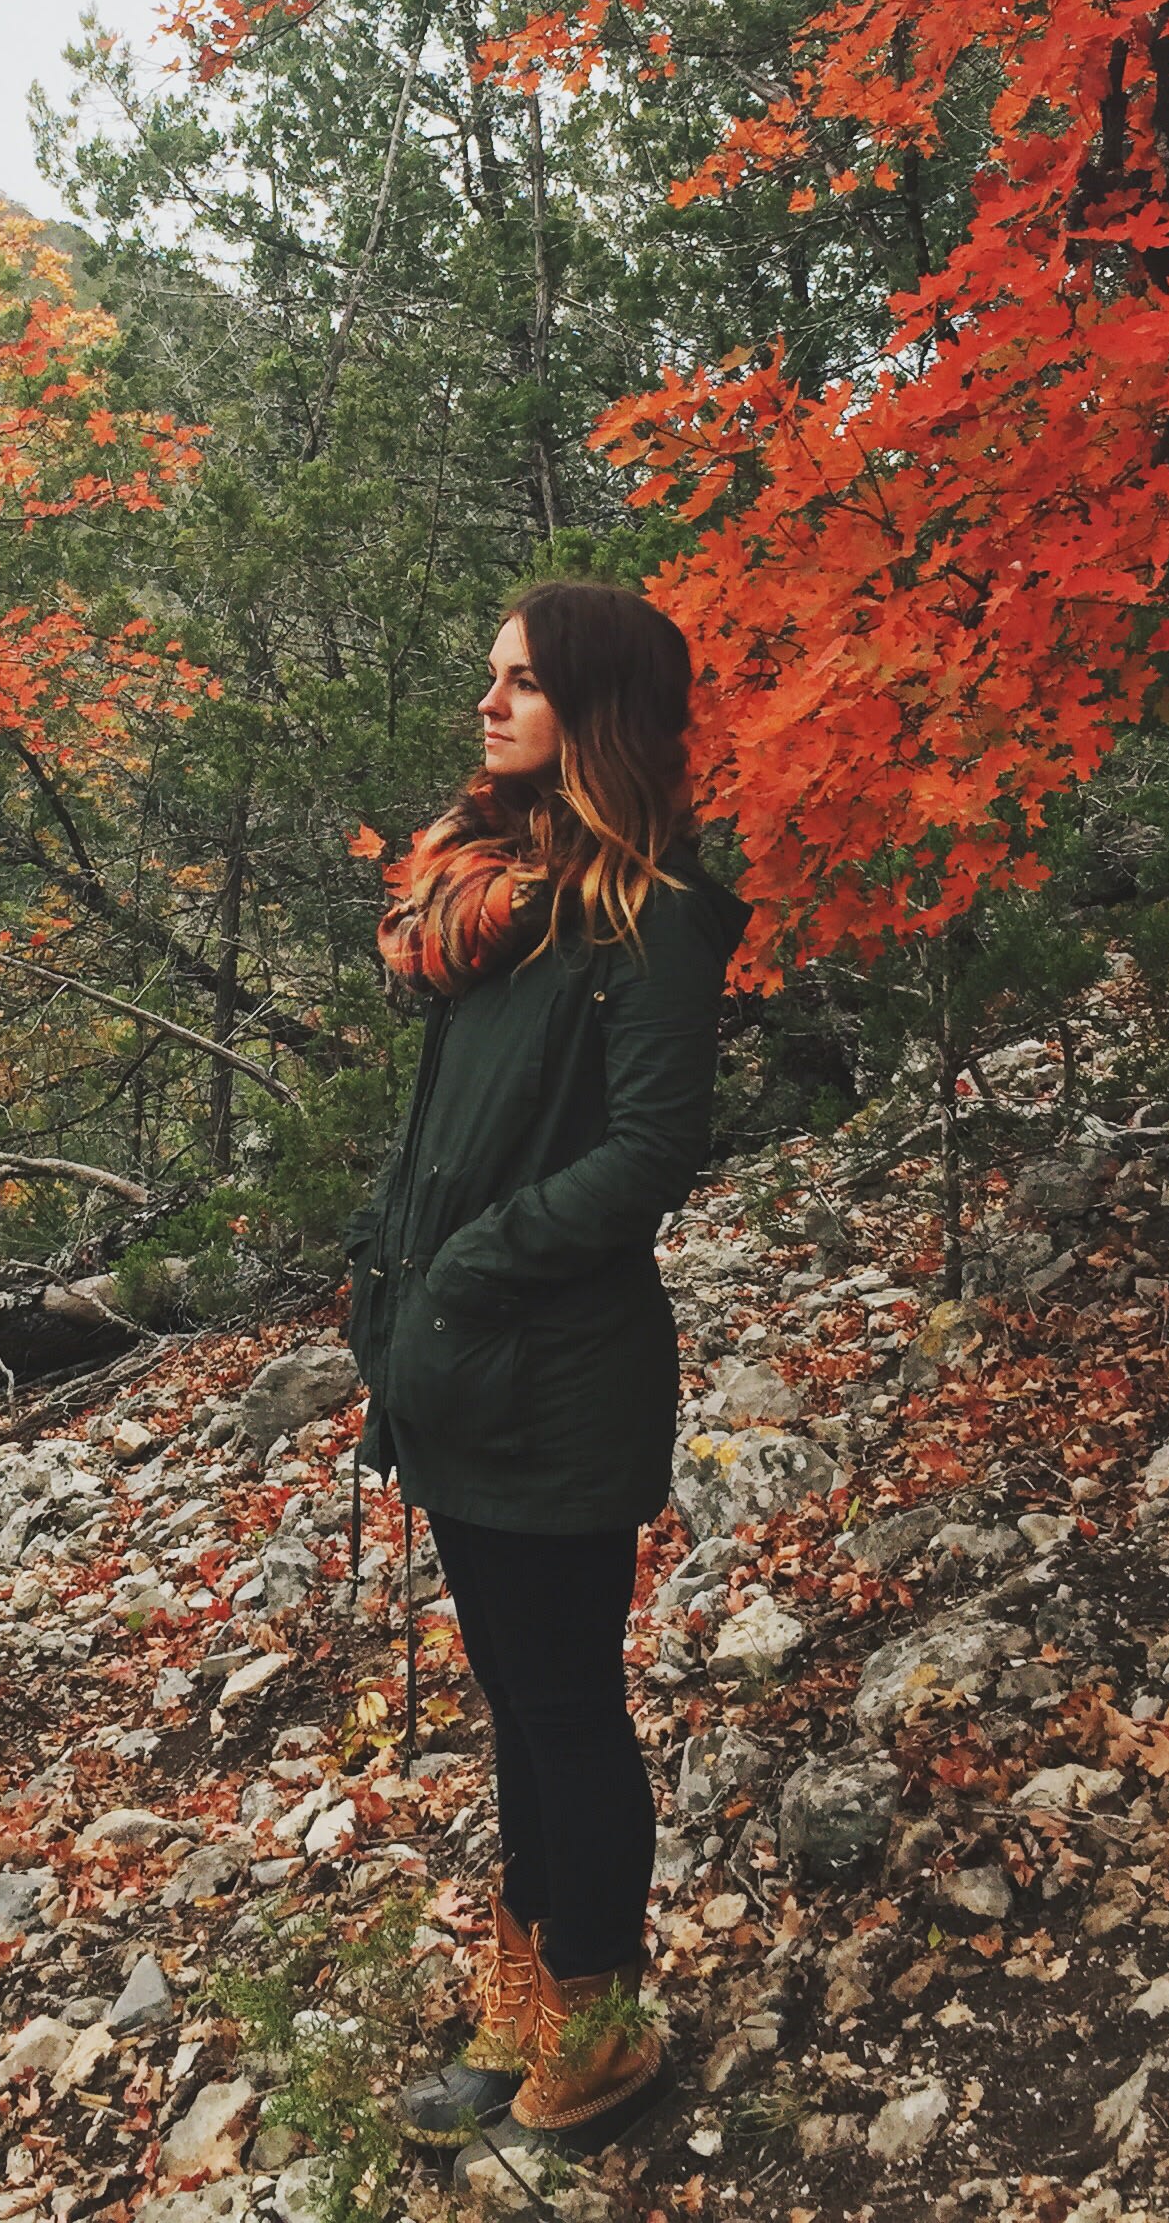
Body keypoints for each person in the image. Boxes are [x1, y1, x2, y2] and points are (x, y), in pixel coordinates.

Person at [345, 579, 750, 2158]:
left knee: (567, 1707)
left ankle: (599, 2020)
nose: (491, 704)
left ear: (593, 707)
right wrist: (404, 1283)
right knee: (518, 1700)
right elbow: (449, 1140)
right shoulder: (504, 910)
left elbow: (654, 1152)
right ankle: (527, 2003)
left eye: (522, 682)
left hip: (553, 1370)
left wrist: (468, 1268)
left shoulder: (651, 917)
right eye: (489, 679)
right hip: (456, 1361)